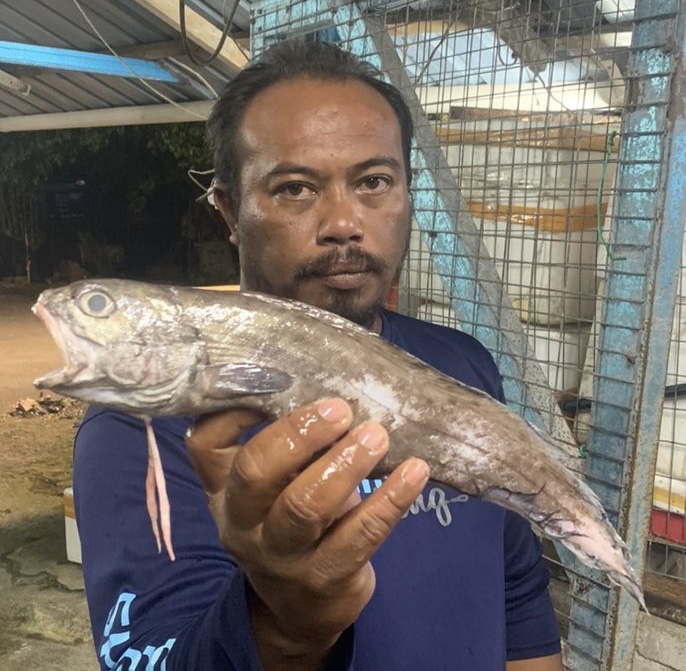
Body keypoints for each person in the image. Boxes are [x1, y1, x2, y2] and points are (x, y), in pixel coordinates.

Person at [72, 39, 563, 671]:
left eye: (374, 181)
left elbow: (517, 596)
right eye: (297, 189)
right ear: (229, 209)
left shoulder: (461, 364)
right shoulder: (144, 427)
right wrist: (285, 627)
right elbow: (147, 652)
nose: (344, 223)